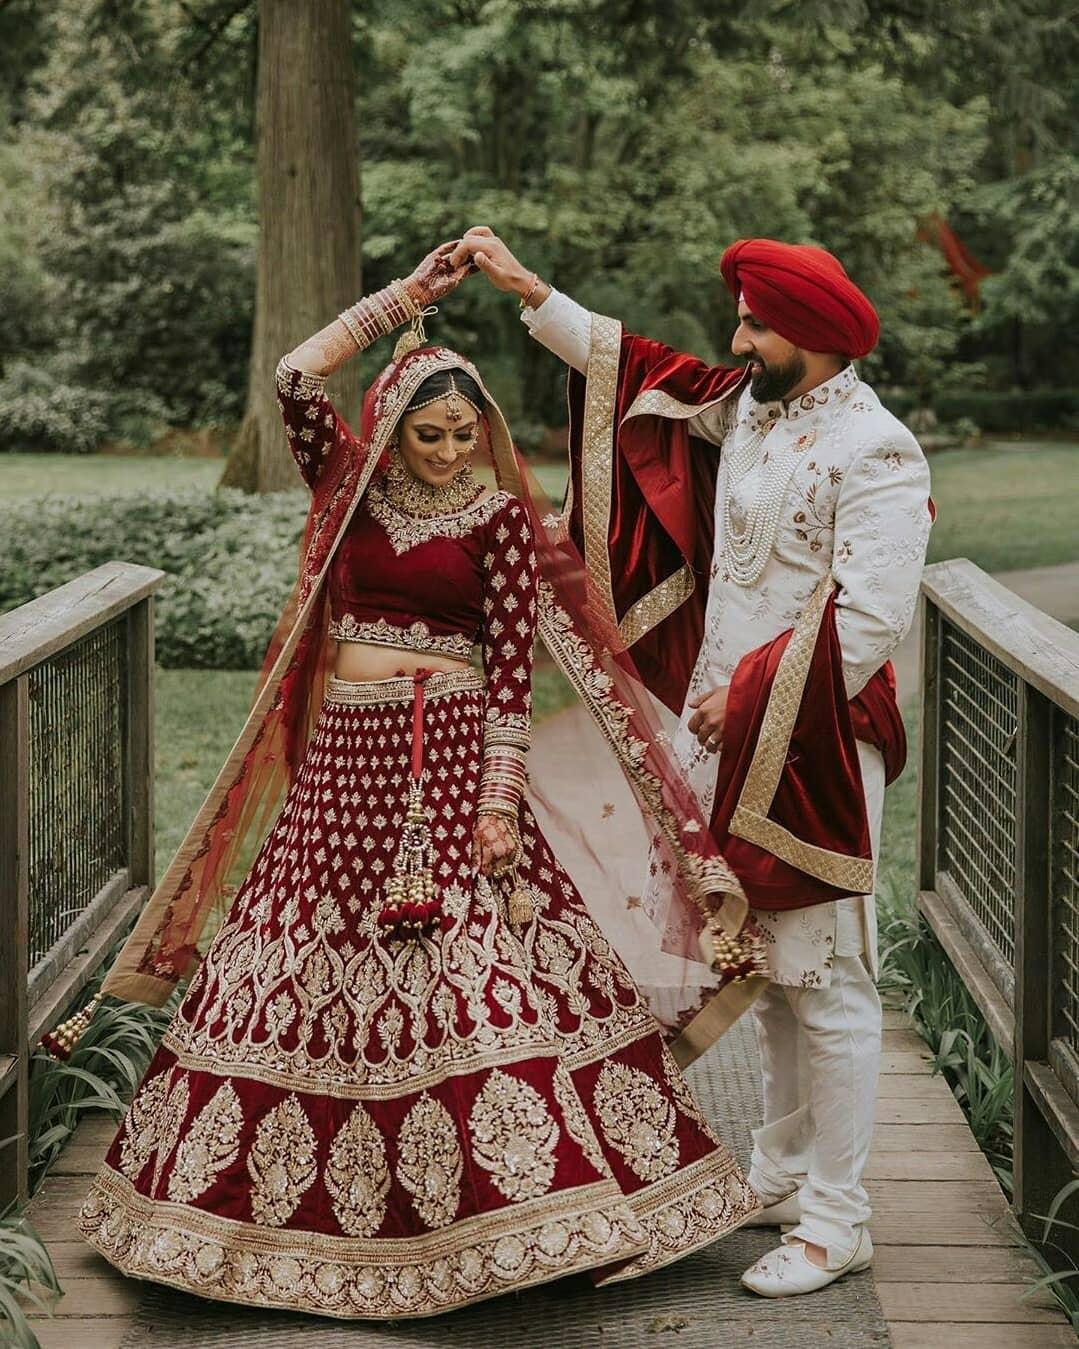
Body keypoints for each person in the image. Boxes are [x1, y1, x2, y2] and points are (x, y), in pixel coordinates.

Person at [75, 244, 759, 1320]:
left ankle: (519, 1216)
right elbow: (296, 379)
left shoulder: (493, 519)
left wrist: (496, 796)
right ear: (389, 428)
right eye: (427, 433)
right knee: (299, 948)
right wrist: (406, 300)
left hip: (447, 768)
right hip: (343, 763)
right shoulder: (346, 483)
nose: (448, 451)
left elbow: (505, 668)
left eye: (463, 433)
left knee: (469, 964)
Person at [450, 226, 933, 1297]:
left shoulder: (877, 449)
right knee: (760, 968)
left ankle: (837, 1219)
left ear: (805, 333)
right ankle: (781, 1166)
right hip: (720, 739)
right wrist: (534, 295)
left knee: (830, 981)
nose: (735, 335)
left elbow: (868, 618)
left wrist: (745, 696)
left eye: (754, 322)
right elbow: (642, 372)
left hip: (809, 751)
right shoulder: (755, 407)